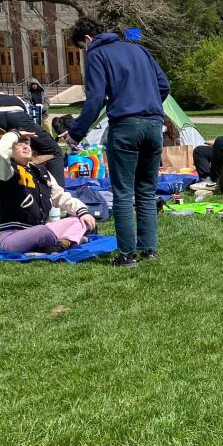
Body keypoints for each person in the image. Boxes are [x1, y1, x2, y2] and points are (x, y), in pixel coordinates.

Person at [61, 17, 170, 267]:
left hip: (125, 127)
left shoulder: (97, 55)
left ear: (87, 39)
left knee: (122, 192)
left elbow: (95, 99)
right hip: (154, 125)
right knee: (146, 189)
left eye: (81, 47)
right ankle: (148, 249)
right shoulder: (138, 49)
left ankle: (127, 255)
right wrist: (148, 105)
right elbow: (164, 85)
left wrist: (76, 132)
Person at [0, 129, 97, 253]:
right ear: (10, 149)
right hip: (13, 236)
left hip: (42, 230)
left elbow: (60, 196)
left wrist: (82, 212)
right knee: (43, 232)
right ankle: (72, 240)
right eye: (19, 143)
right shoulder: (7, 171)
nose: (25, 146)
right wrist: (13, 135)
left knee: (80, 221)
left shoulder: (41, 171)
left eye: (27, 142)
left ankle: (62, 243)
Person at [0, 90, 65, 185]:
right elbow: (28, 124)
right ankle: (55, 191)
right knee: (55, 151)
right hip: (18, 116)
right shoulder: (17, 99)